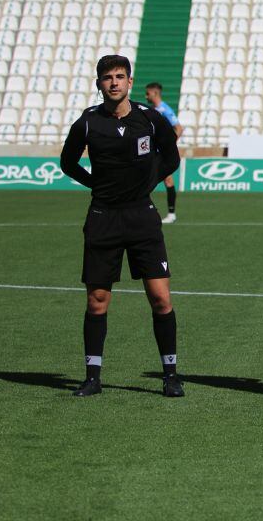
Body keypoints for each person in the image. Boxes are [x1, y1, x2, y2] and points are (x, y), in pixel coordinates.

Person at [59, 55, 183, 397]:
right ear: (99, 84)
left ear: (129, 81)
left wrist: (148, 182)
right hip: (103, 218)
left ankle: (171, 375)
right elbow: (67, 162)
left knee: (160, 298)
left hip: (142, 216)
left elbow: (171, 157)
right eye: (107, 78)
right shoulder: (87, 123)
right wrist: (94, 184)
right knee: (97, 299)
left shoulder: (150, 119)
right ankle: (93, 377)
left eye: (119, 76)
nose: (113, 82)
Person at [144, 82, 184, 223]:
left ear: (155, 93)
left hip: (161, 152)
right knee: (159, 179)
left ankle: (170, 214)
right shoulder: (153, 109)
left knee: (161, 180)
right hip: (153, 150)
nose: (146, 96)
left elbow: (179, 128)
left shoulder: (164, 109)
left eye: (148, 93)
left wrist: (169, 145)